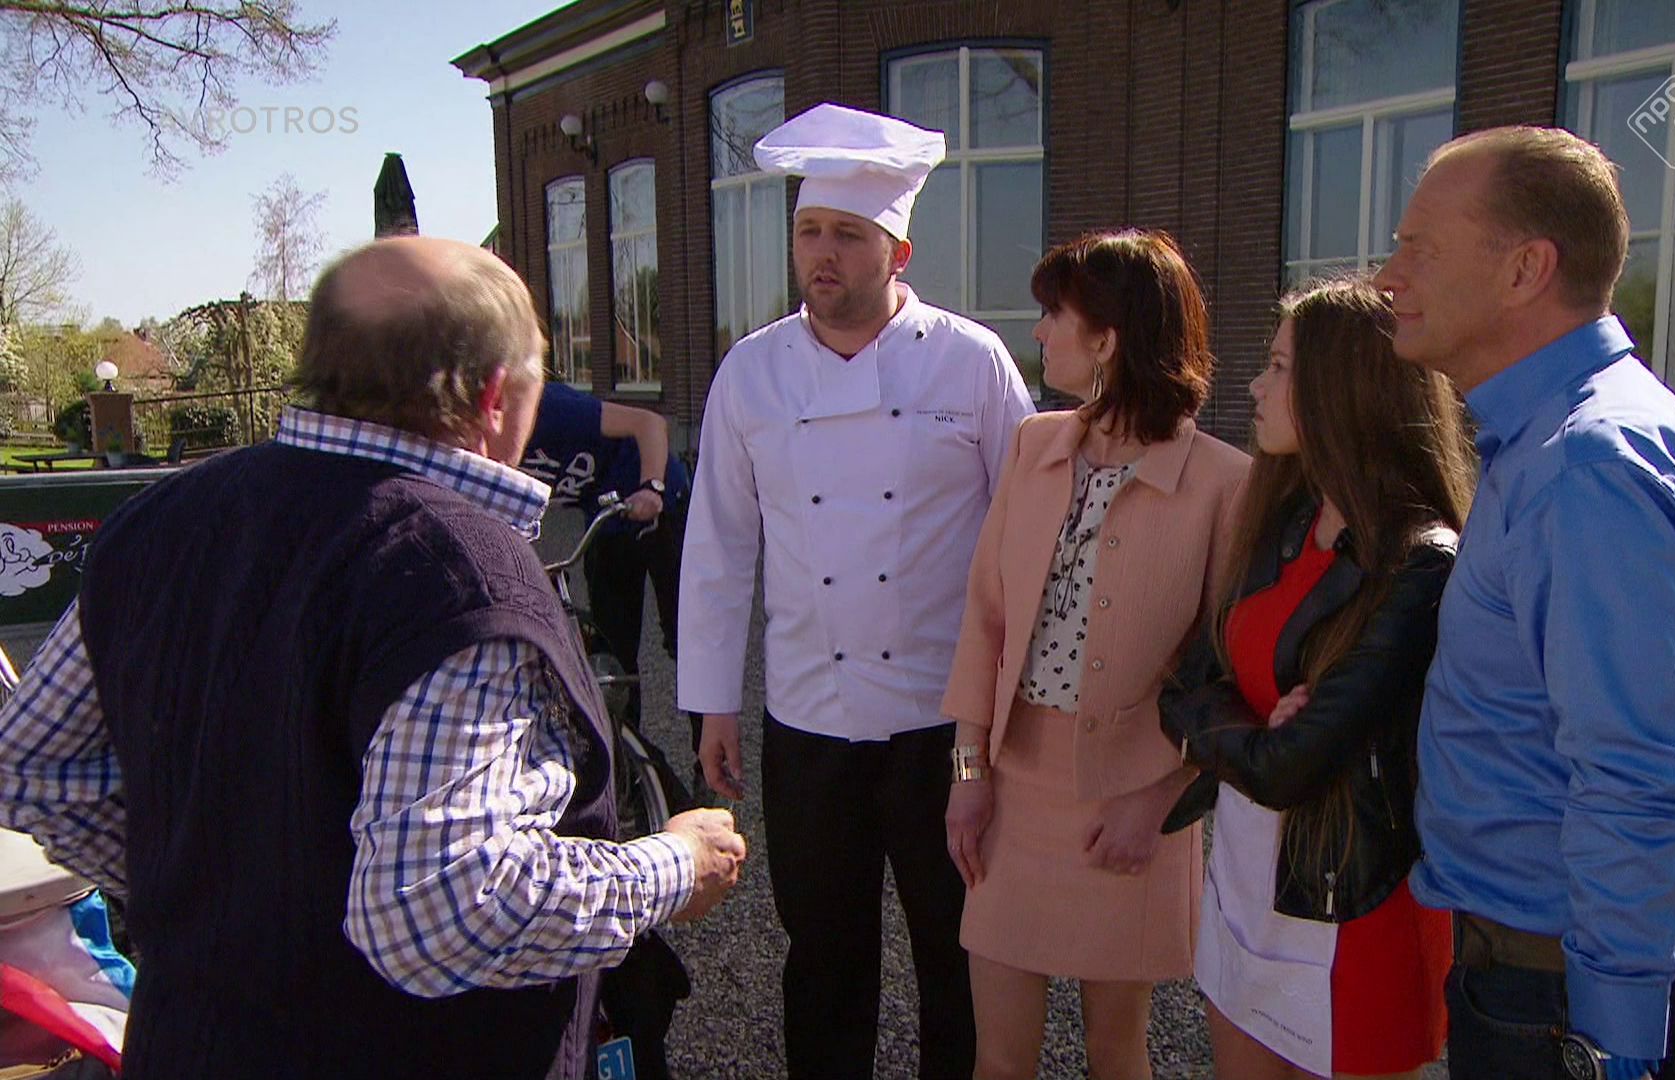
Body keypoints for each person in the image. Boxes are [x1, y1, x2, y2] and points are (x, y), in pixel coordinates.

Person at [0, 236, 747, 1080]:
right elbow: (445, 908)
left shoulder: (157, 520)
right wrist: (670, 867)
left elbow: (33, 767)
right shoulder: (453, 571)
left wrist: (213, 892)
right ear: (495, 395)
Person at [1374, 126, 1675, 1080]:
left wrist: (1614, 1043)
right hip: (1548, 982)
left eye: (1420, 248)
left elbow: (1633, 772)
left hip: (1565, 1000)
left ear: (1526, 270)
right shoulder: (1558, 439)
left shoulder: (1584, 464)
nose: (1388, 277)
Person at [677, 103, 1034, 1079]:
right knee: (824, 957)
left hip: (944, 723)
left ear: (897, 252)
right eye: (808, 232)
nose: (822, 254)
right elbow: (718, 545)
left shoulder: (972, 361)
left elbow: (1025, 536)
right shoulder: (750, 373)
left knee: (958, 952)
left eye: (846, 234)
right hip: (808, 719)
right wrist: (712, 701)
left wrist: (1019, 710)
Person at [939, 228, 1249, 1080]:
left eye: (1055, 314)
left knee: (1117, 1055)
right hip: (1011, 794)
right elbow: (985, 621)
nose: (1039, 333)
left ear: (1108, 338)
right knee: (999, 1060)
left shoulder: (1226, 483)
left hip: (1133, 802)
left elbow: (1231, 674)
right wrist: (967, 772)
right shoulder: (1032, 446)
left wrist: (1158, 800)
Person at [1156, 277, 1472, 1080]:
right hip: (1243, 884)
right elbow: (1183, 686)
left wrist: (1229, 733)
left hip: (1348, 912)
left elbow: (1292, 767)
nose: (1255, 387)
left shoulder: (1419, 563)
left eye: (1278, 366)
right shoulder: (1283, 517)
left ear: (1343, 387)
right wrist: (1250, 730)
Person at [519, 382, 706, 803]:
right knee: (610, 655)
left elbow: (650, 424)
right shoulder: (490, 445)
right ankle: (630, 774)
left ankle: (708, 762)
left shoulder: (550, 409)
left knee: (687, 637)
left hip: (661, 504)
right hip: (607, 519)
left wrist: (652, 488)